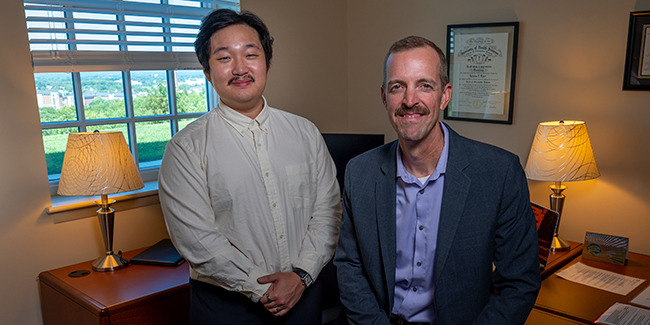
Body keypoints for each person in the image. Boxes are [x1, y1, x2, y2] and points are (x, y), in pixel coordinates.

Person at [333, 35, 541, 324]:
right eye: (398, 87)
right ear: (384, 97)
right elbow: (349, 266)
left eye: (425, 85)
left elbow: (519, 284)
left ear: (445, 95)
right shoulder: (360, 173)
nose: (409, 100)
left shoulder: (499, 174)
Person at [158, 9, 341, 325]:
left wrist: (300, 276)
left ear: (267, 63)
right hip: (226, 308)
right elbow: (198, 241)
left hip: (304, 298)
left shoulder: (305, 133)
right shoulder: (185, 149)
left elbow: (327, 213)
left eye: (250, 54)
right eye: (224, 58)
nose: (240, 68)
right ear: (207, 70)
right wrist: (262, 288)